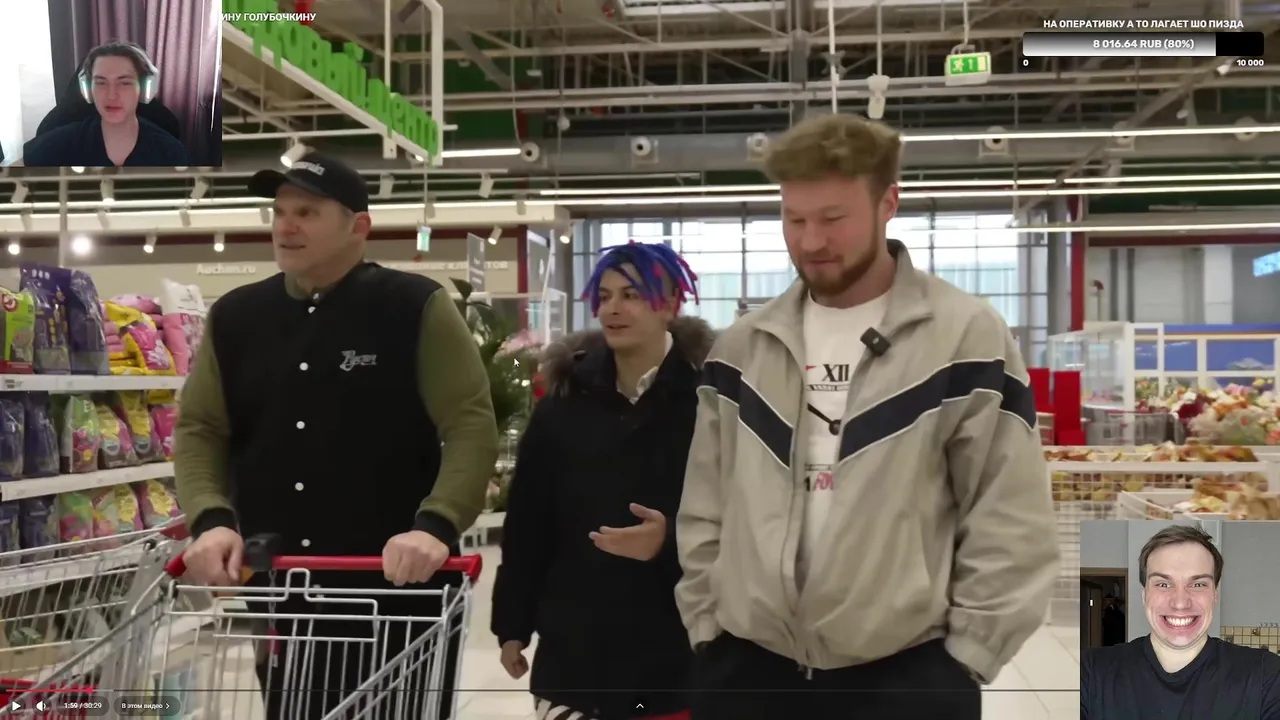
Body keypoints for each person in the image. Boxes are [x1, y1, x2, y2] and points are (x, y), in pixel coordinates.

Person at [674, 113, 1060, 720]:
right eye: (794, 219)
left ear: (888, 204)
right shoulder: (744, 347)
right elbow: (706, 502)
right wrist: (707, 625)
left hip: (906, 676)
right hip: (746, 672)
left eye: (833, 219)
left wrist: (968, 655)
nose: (811, 241)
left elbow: (1008, 510)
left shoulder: (964, 337)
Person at [174, 152, 499, 719]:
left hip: (398, 585)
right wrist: (211, 518)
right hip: (280, 587)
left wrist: (437, 524)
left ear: (359, 226)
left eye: (307, 212)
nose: (286, 226)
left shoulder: (414, 307)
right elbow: (201, 427)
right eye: (279, 211)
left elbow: (469, 422)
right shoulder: (235, 318)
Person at [491, 242, 711, 720]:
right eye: (605, 296)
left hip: (674, 653)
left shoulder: (707, 403)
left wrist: (668, 542)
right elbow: (529, 521)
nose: (613, 308)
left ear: (670, 305)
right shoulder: (563, 405)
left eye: (631, 295)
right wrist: (512, 624)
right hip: (575, 656)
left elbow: (739, 514)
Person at [1081, 525, 1280, 719]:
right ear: (1144, 595)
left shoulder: (1266, 675)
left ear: (1215, 595)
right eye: (1163, 584)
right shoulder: (1089, 671)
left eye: (1198, 584)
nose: (1180, 603)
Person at [22, 42, 189, 167]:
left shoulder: (170, 152)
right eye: (101, 83)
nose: (111, 94)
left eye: (124, 83)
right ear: (88, 90)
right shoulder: (58, 144)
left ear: (145, 89)